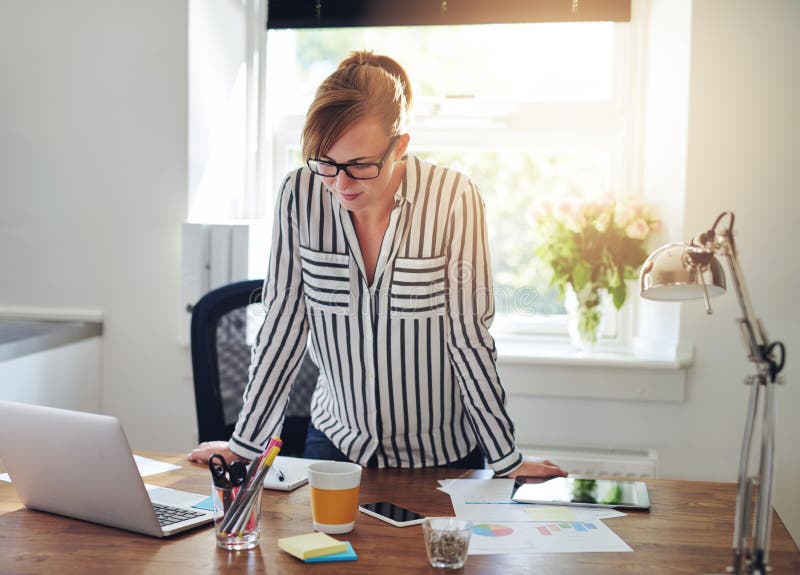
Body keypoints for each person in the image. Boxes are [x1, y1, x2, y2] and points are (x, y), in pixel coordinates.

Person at [189, 51, 566, 480]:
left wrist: (506, 460)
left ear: (400, 146)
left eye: (360, 165)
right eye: (327, 163)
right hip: (335, 444)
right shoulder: (300, 193)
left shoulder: (455, 199)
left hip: (442, 454)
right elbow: (284, 324)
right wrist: (245, 446)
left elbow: (468, 336)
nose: (341, 185)